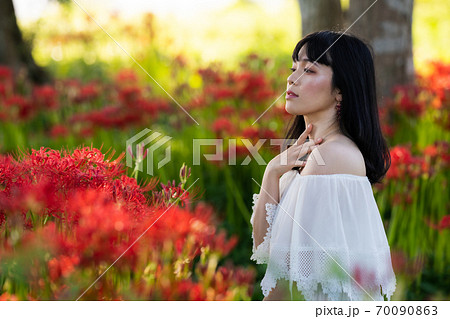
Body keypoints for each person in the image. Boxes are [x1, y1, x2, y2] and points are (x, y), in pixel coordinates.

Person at [250, 31, 397, 301]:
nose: (292, 78)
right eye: (294, 68)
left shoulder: (333, 156)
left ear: (340, 90)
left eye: (309, 70)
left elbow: (297, 276)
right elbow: (263, 249)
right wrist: (272, 171)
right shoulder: (307, 153)